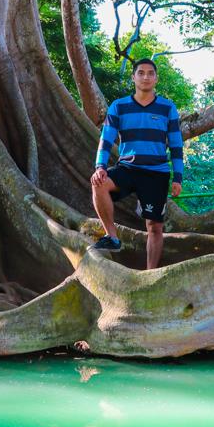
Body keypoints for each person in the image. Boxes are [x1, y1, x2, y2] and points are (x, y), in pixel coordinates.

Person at [90, 58, 184, 270]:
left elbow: (176, 145)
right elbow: (106, 140)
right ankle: (111, 237)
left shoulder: (167, 108)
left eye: (150, 73)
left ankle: (150, 274)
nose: (145, 77)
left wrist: (178, 177)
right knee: (99, 183)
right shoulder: (119, 106)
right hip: (128, 168)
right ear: (133, 77)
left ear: (156, 78)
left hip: (156, 173)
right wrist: (100, 167)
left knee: (155, 227)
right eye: (140, 73)